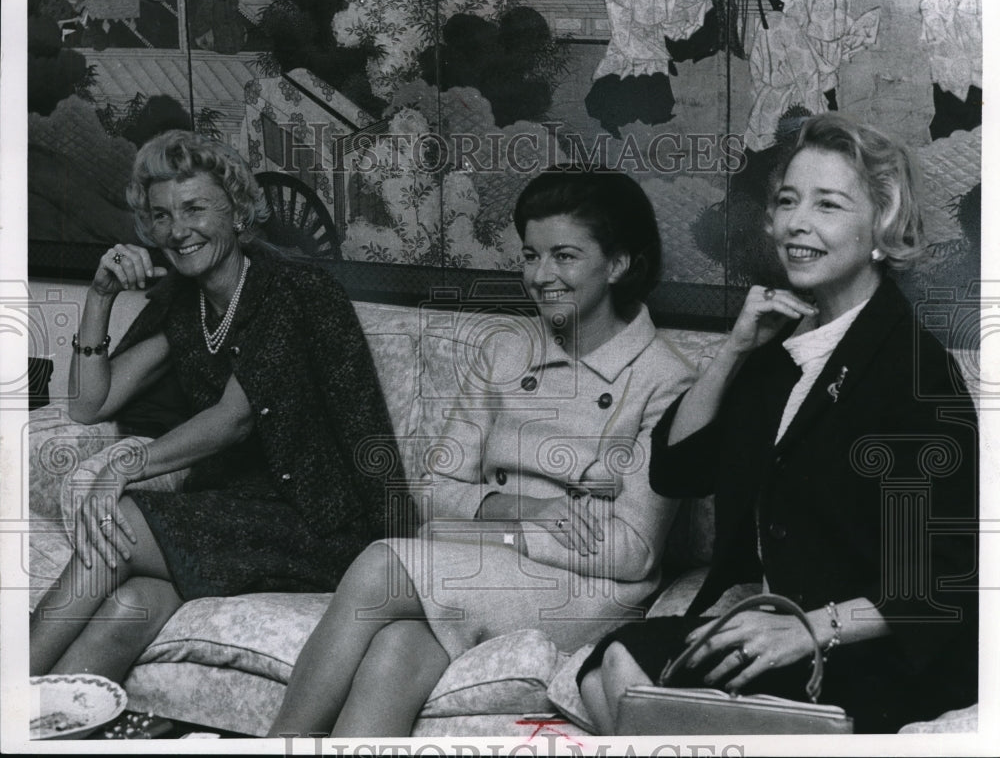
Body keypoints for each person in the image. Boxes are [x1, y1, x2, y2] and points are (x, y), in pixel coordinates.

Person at [576, 112, 979, 735]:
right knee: (608, 666)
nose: (797, 222)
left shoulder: (912, 373)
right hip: (776, 616)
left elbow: (944, 575)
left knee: (625, 676)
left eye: (828, 205)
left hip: (877, 649)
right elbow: (677, 471)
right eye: (789, 200)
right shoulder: (785, 344)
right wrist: (734, 350)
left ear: (882, 226)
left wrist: (808, 628)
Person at [266, 166, 697, 737]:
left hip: (588, 591)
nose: (541, 276)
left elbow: (631, 553)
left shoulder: (665, 378)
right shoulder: (504, 352)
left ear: (618, 264)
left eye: (564, 256)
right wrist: (525, 512)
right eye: (529, 255)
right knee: (397, 649)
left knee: (382, 564)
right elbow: (433, 491)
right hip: (502, 555)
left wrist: (479, 528)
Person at [30, 130, 413, 681]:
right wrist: (99, 296)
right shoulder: (186, 304)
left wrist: (123, 467)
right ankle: (50, 720)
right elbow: (91, 403)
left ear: (236, 212)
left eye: (194, 209)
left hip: (327, 525)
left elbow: (235, 418)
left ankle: (7, 693)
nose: (177, 230)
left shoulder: (294, 289)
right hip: (241, 513)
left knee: (121, 516)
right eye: (160, 216)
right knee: (135, 602)